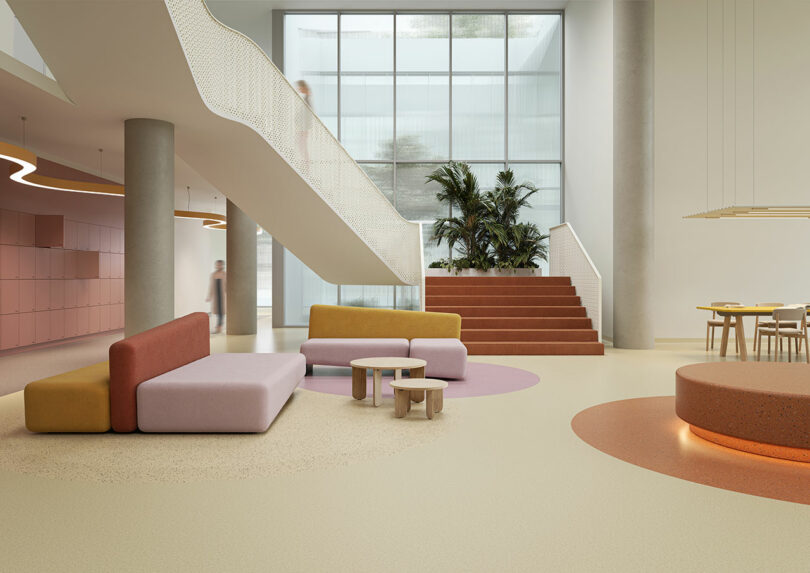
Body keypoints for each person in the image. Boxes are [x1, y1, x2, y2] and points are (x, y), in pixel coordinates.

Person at [295, 80, 313, 166]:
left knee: (302, 146)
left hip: (304, 128)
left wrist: (305, 129)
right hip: (303, 127)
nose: (299, 89)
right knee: (301, 146)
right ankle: (305, 165)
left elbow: (308, 115)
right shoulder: (306, 98)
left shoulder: (307, 99)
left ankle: (306, 166)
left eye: (300, 88)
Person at [206, 260, 226, 334]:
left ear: (223, 265)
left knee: (221, 312)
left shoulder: (225, 274)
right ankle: (219, 325)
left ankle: (219, 326)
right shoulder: (213, 274)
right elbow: (211, 286)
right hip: (216, 296)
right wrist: (209, 296)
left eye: (220, 265)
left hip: (223, 296)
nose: (218, 266)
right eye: (217, 265)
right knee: (217, 312)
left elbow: (228, 286)